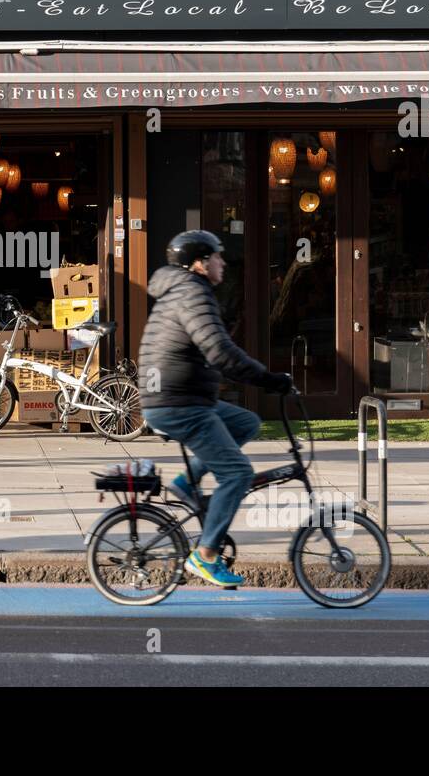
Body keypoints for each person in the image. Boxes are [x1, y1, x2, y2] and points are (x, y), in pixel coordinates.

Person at [138, 229, 293, 588]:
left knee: (245, 422)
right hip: (177, 403)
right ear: (199, 264)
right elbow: (220, 352)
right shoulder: (192, 293)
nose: (223, 262)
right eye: (217, 257)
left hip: (184, 398)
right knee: (237, 474)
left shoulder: (184, 290)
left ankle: (186, 481)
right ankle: (205, 555)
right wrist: (270, 380)